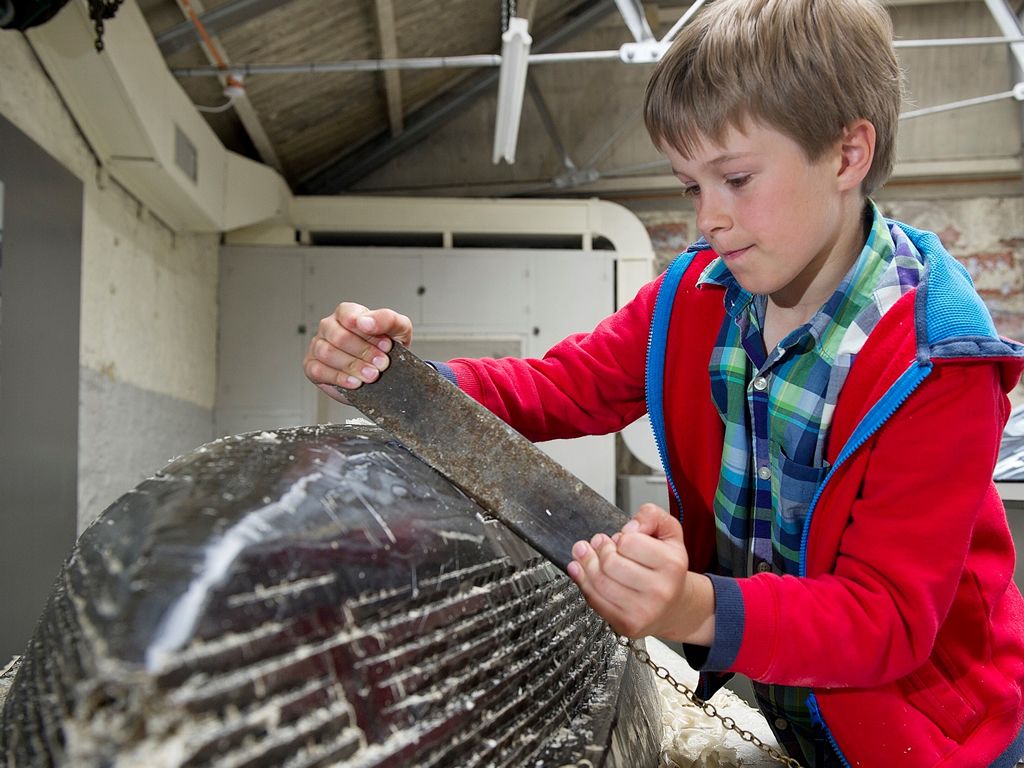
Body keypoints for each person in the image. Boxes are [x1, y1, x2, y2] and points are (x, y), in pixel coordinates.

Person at [303, 0, 1024, 764]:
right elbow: (563, 386)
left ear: (847, 155)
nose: (710, 218)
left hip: (936, 736)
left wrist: (691, 605)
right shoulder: (695, 299)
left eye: (737, 179)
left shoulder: (937, 364)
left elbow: (886, 621)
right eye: (690, 187)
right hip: (796, 706)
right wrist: (398, 379)